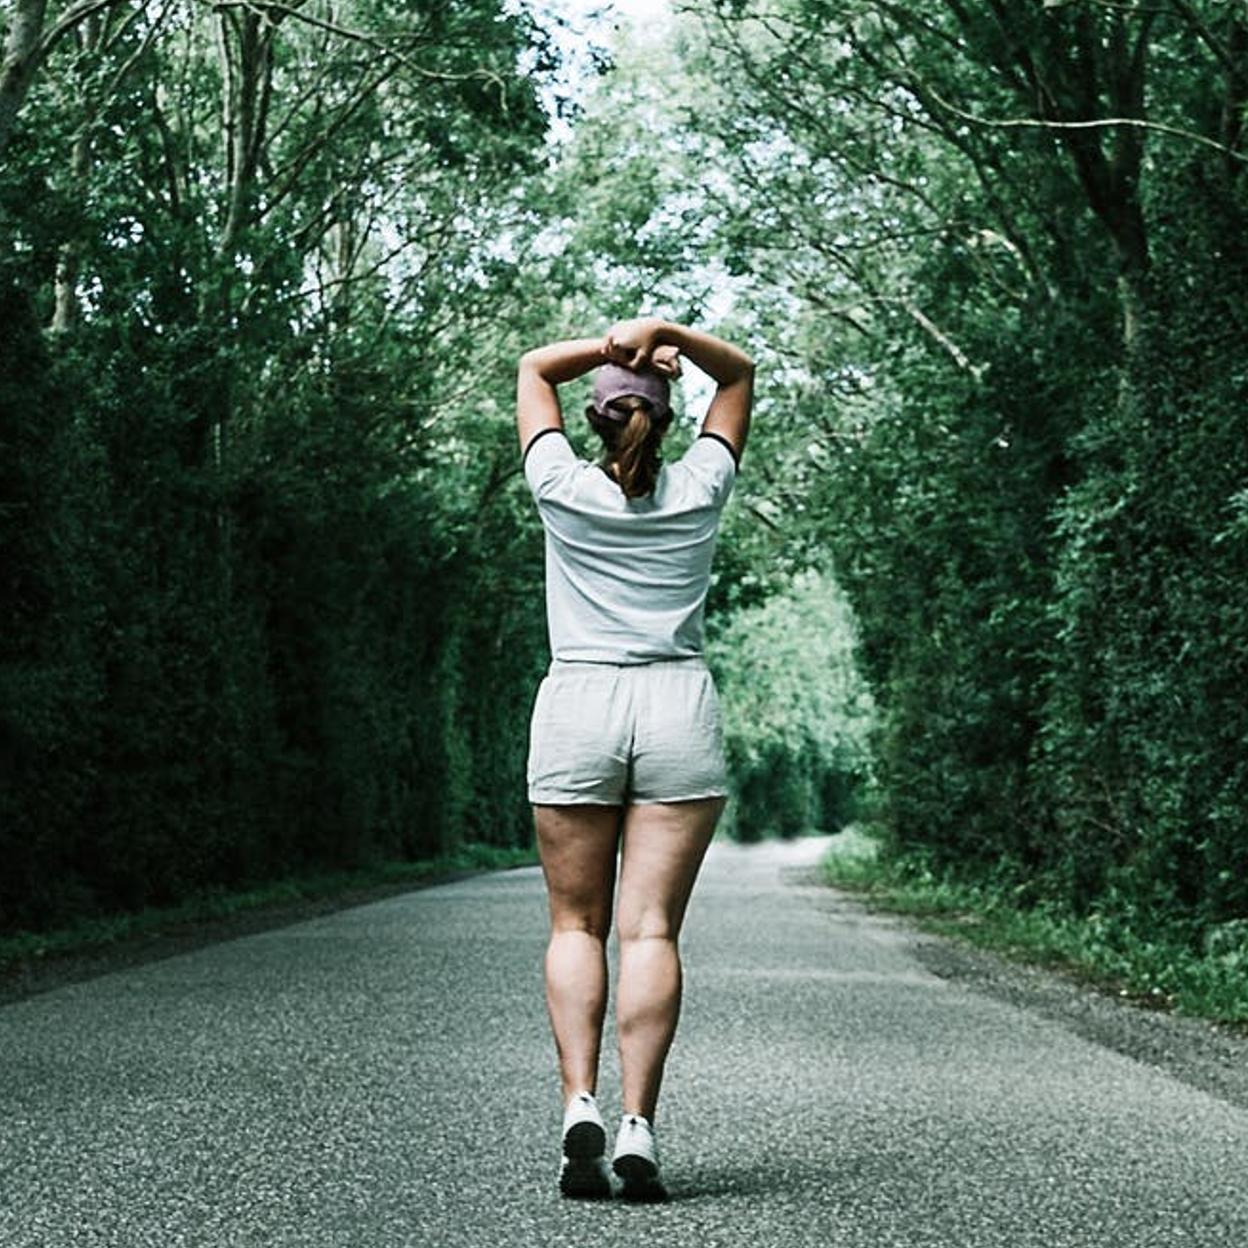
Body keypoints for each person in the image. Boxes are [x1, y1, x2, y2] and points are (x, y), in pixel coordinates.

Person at [515, 316, 754, 1202]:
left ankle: (578, 1100)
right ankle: (637, 1124)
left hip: (579, 701)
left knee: (575, 927)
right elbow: (740, 374)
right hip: (674, 704)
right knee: (649, 930)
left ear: (598, 418)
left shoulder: (561, 485)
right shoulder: (699, 485)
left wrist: (614, 348)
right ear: (666, 415)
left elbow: (534, 367)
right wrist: (667, 334)